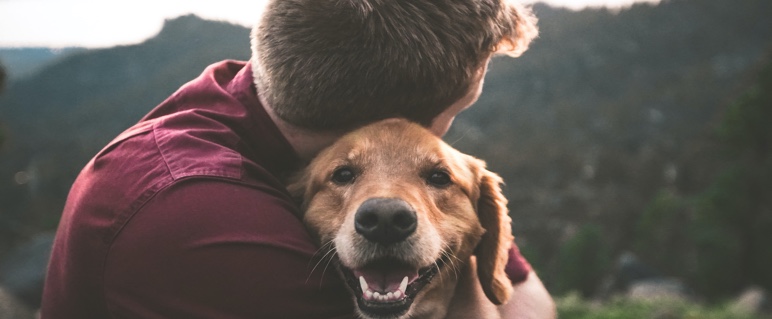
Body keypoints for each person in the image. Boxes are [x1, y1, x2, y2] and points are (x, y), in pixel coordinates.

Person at [41, 0, 554, 318]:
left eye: (434, 168)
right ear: (390, 123)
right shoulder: (199, 219)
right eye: (457, 111)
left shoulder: (255, 93)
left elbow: (529, 296)